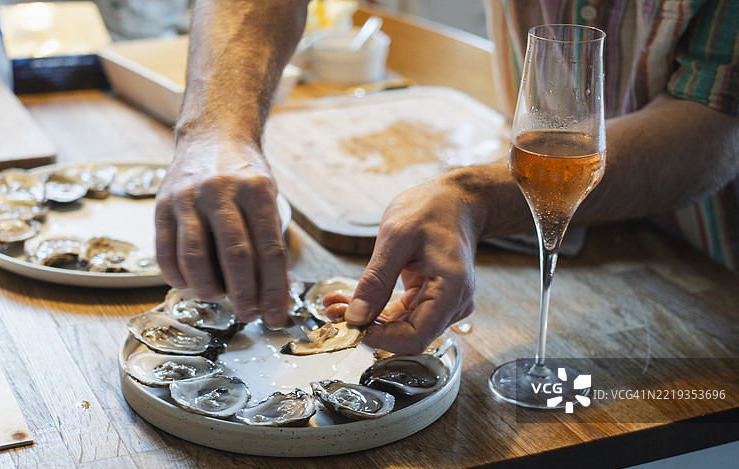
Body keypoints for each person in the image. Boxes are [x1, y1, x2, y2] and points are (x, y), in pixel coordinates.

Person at [154, 0, 739, 356]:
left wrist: (476, 198)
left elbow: (716, 124)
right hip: (555, 239)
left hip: (715, 274)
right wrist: (214, 131)